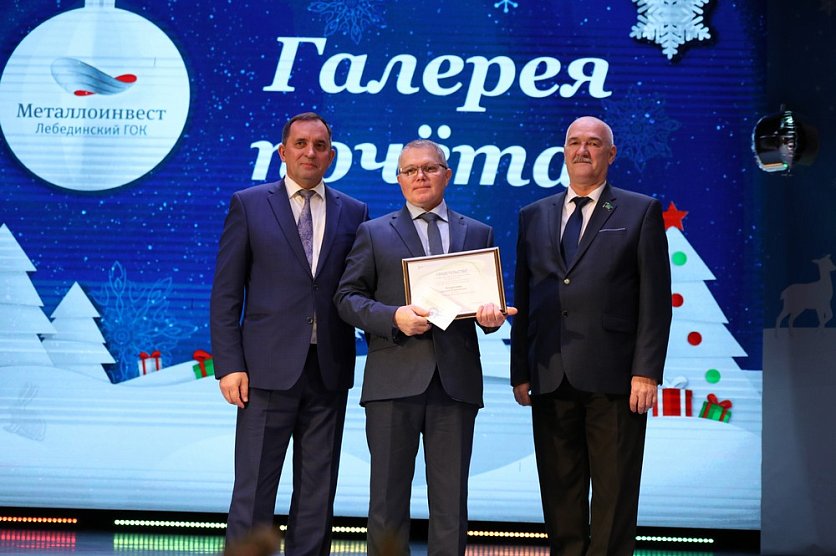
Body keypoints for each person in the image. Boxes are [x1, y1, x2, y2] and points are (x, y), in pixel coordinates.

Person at [335, 139, 514, 555]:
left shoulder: (478, 232)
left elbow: (484, 307)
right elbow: (346, 298)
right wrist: (393, 317)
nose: (420, 176)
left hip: (455, 384)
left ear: (446, 175)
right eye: (410, 170)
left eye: (430, 168)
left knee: (451, 504)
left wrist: (491, 319)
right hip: (392, 382)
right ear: (399, 179)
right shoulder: (374, 233)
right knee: (387, 502)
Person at [510, 116, 672, 556]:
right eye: (574, 142)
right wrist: (520, 370)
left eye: (594, 143)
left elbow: (655, 301)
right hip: (549, 374)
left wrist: (646, 372)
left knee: (614, 492)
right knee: (559, 490)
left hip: (615, 378)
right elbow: (525, 295)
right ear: (564, 151)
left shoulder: (640, 211)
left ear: (611, 154)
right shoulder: (533, 215)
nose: (583, 150)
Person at [210, 112, 368, 554]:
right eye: (300, 144)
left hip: (328, 371)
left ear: (331, 156)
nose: (310, 152)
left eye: (320, 146)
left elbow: (358, 289)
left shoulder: (354, 212)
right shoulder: (249, 204)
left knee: (318, 492)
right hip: (264, 373)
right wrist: (229, 365)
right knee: (254, 491)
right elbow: (226, 293)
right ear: (283, 152)